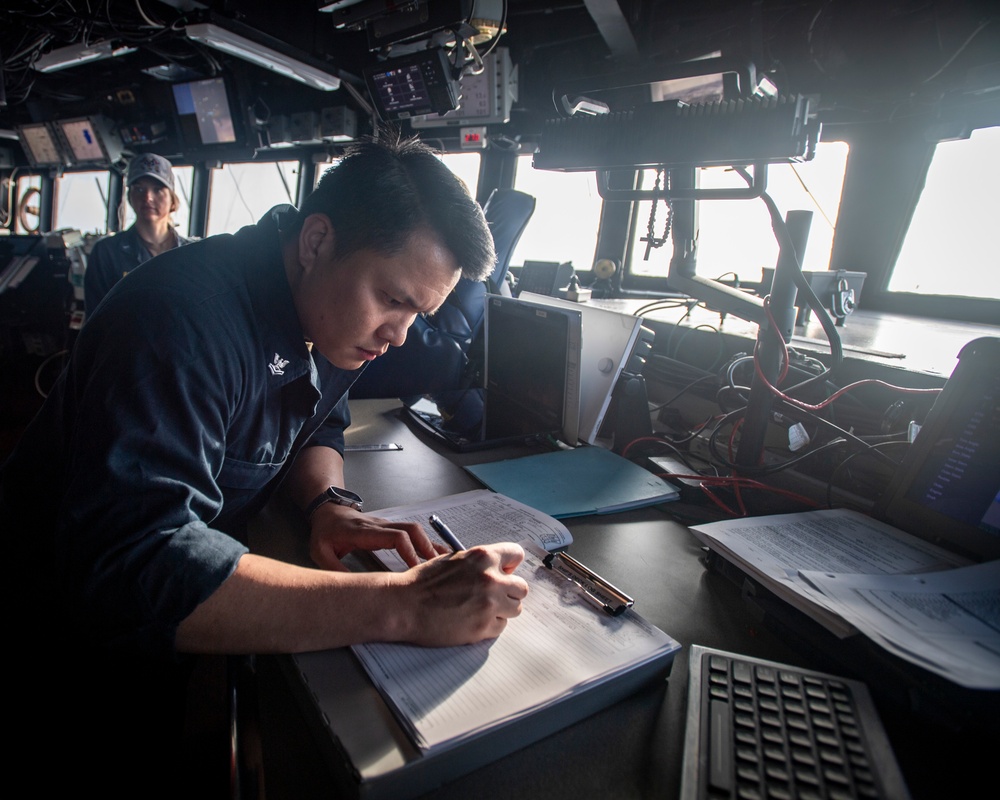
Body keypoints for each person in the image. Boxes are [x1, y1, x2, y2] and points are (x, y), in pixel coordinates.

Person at [1, 133, 528, 793]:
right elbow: (134, 564)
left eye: (417, 313)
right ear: (317, 241)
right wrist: (407, 605)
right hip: (57, 636)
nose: (398, 336)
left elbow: (319, 415)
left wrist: (326, 502)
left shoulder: (328, 313)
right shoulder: (180, 321)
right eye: (393, 300)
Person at [83, 152, 192, 315]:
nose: (148, 197)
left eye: (157, 190)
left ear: (172, 200)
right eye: (139, 189)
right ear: (129, 197)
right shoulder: (107, 252)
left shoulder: (190, 253)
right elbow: (96, 317)